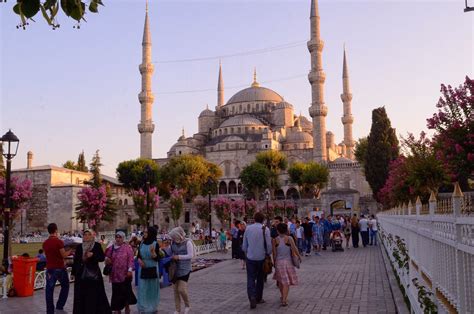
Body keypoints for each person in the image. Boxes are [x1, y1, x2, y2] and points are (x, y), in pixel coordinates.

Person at [72, 229, 111, 314]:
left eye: (89, 234)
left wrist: (93, 255)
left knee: (93, 296)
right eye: (85, 235)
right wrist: (73, 273)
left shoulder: (96, 246)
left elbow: (101, 258)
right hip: (81, 275)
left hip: (93, 275)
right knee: (81, 296)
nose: (86, 236)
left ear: (92, 236)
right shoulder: (79, 247)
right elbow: (76, 261)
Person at [242, 212, 272, 309]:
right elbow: (268, 245)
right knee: (260, 278)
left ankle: (252, 296)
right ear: (263, 220)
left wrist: (247, 253)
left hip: (250, 257)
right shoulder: (265, 229)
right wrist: (268, 253)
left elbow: (244, 245)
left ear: (254, 219)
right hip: (262, 257)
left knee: (250, 278)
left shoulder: (248, 228)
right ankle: (259, 298)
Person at [105, 231, 137, 314]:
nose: (118, 239)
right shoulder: (111, 248)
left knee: (126, 292)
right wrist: (107, 260)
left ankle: (127, 307)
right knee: (116, 292)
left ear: (123, 238)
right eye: (117, 237)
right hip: (115, 274)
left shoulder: (127, 247)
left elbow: (131, 259)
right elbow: (106, 257)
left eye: (120, 237)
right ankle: (117, 309)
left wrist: (130, 270)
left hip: (125, 274)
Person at [43, 223, 71, 314]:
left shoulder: (45, 243)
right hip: (59, 267)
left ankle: (50, 310)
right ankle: (60, 305)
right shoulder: (59, 242)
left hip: (50, 268)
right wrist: (71, 250)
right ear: (56, 230)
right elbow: (63, 255)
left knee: (49, 290)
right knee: (65, 286)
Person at [272, 223, 300, 307]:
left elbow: (274, 253)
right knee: (286, 283)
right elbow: (294, 248)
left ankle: (282, 296)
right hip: (288, 263)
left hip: (278, 263)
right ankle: (284, 300)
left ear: (277, 231)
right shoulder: (289, 238)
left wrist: (274, 263)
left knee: (281, 281)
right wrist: (299, 256)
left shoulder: (275, 240)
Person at [169, 227, 194, 314]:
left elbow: (191, 255)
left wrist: (179, 257)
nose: (173, 239)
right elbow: (170, 253)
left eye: (174, 237)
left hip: (185, 269)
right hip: (175, 269)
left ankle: (187, 305)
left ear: (178, 236)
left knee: (181, 289)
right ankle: (177, 310)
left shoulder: (188, 242)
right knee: (175, 290)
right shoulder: (173, 243)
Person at [137, 226, 161, 314]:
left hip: (152, 267)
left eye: (146, 232)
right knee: (143, 288)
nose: (145, 234)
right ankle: (143, 307)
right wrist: (139, 260)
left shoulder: (155, 244)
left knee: (152, 288)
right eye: (144, 232)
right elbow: (138, 255)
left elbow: (158, 259)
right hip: (143, 267)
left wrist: (153, 254)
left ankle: (152, 307)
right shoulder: (142, 243)